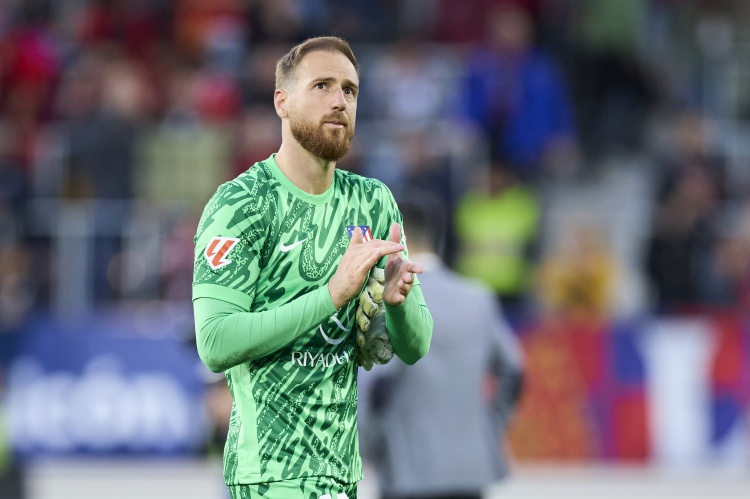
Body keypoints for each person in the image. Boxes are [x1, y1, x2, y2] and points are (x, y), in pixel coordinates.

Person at [191, 36, 433, 499]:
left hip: (343, 474)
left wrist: (398, 304)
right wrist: (332, 296)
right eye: (322, 85)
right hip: (270, 477)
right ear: (281, 101)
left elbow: (416, 346)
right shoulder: (242, 204)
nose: (340, 100)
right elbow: (215, 342)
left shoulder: (373, 200)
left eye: (350, 90)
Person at [363, 192, 525, 499]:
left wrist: (371, 445)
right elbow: (514, 370)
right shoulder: (477, 298)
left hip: (407, 470)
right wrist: (489, 427)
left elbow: (377, 387)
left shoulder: (389, 303)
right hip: (470, 469)